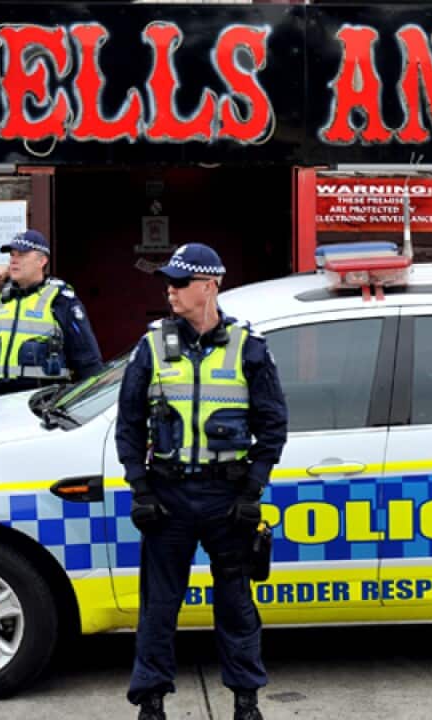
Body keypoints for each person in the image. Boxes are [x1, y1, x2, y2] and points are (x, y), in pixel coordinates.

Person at [116, 243, 287, 720]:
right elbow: (128, 424)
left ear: (210, 286)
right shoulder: (150, 346)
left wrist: (252, 490)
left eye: (180, 282)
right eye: (168, 282)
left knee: (235, 606)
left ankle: (246, 703)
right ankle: (150, 703)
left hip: (225, 498)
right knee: (158, 608)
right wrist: (141, 489)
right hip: (167, 496)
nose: (170, 291)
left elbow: (274, 424)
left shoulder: (249, 347)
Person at [0, 229, 103, 396]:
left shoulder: (61, 300)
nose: (14, 261)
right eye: (12, 255)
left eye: (22, 255)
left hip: (42, 400)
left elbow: (88, 360)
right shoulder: (4, 299)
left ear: (42, 261)